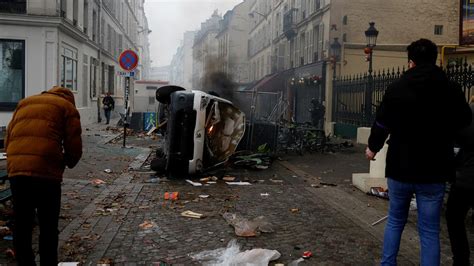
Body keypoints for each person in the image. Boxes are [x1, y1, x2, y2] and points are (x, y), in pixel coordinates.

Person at [365, 39, 471, 265]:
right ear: (435, 59)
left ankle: (388, 263)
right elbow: (464, 122)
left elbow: (382, 122)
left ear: (410, 62)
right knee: (430, 230)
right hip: (434, 168)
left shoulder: (397, 88)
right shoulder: (450, 88)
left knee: (395, 221)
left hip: (400, 166)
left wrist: (373, 147)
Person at [5, 86, 83, 265]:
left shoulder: (24, 103)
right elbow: (74, 143)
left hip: (17, 170)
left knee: (22, 223)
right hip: (46, 172)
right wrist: (67, 161)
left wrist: (15, 160)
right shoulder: (67, 107)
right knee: (48, 224)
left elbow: (9, 137)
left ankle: (25, 263)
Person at [446, 95, 474, 265]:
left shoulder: (468, 113)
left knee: (454, 217)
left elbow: (456, 140)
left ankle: (461, 260)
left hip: (467, 177)